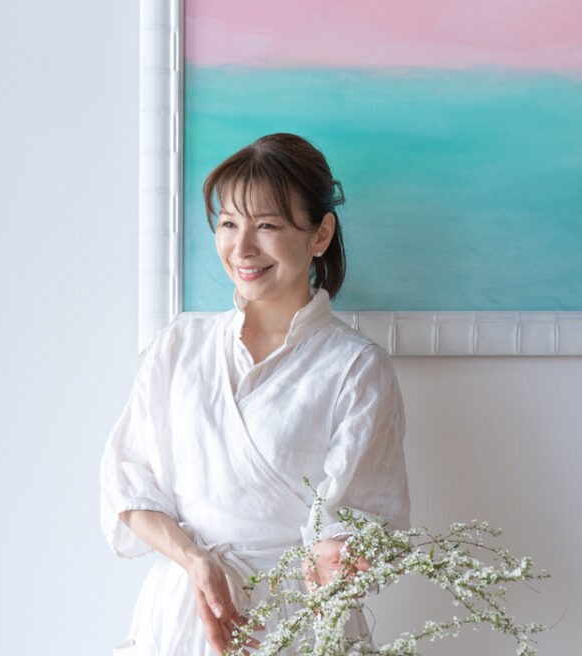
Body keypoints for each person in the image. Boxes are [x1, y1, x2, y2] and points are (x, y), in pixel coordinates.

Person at [100, 133, 410, 656]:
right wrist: (194, 560)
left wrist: (333, 561)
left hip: (296, 621)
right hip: (186, 613)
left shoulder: (356, 368)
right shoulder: (180, 345)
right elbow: (127, 484)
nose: (242, 248)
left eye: (266, 225)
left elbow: (364, 521)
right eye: (228, 223)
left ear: (320, 234)